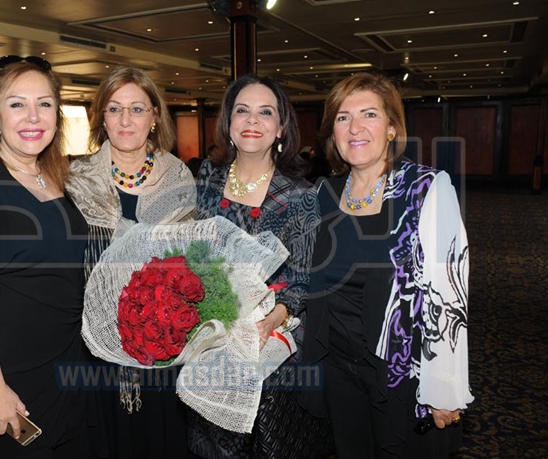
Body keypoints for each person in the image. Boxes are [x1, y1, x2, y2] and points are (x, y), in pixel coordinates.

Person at [302, 71, 473, 458]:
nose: (355, 127)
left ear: (392, 127)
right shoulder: (325, 193)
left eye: (370, 114)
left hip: (401, 374)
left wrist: (444, 386)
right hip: (338, 370)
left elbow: (449, 298)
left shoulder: (425, 188)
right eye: (343, 117)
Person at [0, 55, 95, 457]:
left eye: (44, 103)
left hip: (67, 363)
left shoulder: (55, 175)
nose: (33, 116)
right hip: (13, 375)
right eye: (17, 104)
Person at [189, 74, 332, 459]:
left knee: (259, 444)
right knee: (208, 443)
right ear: (228, 122)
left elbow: (301, 281)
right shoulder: (209, 176)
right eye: (242, 111)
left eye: (265, 112)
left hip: (266, 343)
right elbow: (195, 248)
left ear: (281, 127)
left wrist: (274, 317)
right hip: (208, 334)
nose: (252, 120)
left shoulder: (300, 195)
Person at [66, 66, 196, 458]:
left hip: (163, 338)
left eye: (137, 109)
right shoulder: (74, 180)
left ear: (154, 116)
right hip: (92, 340)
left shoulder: (178, 179)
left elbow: (190, 261)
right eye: (114, 109)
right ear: (102, 118)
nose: (125, 120)